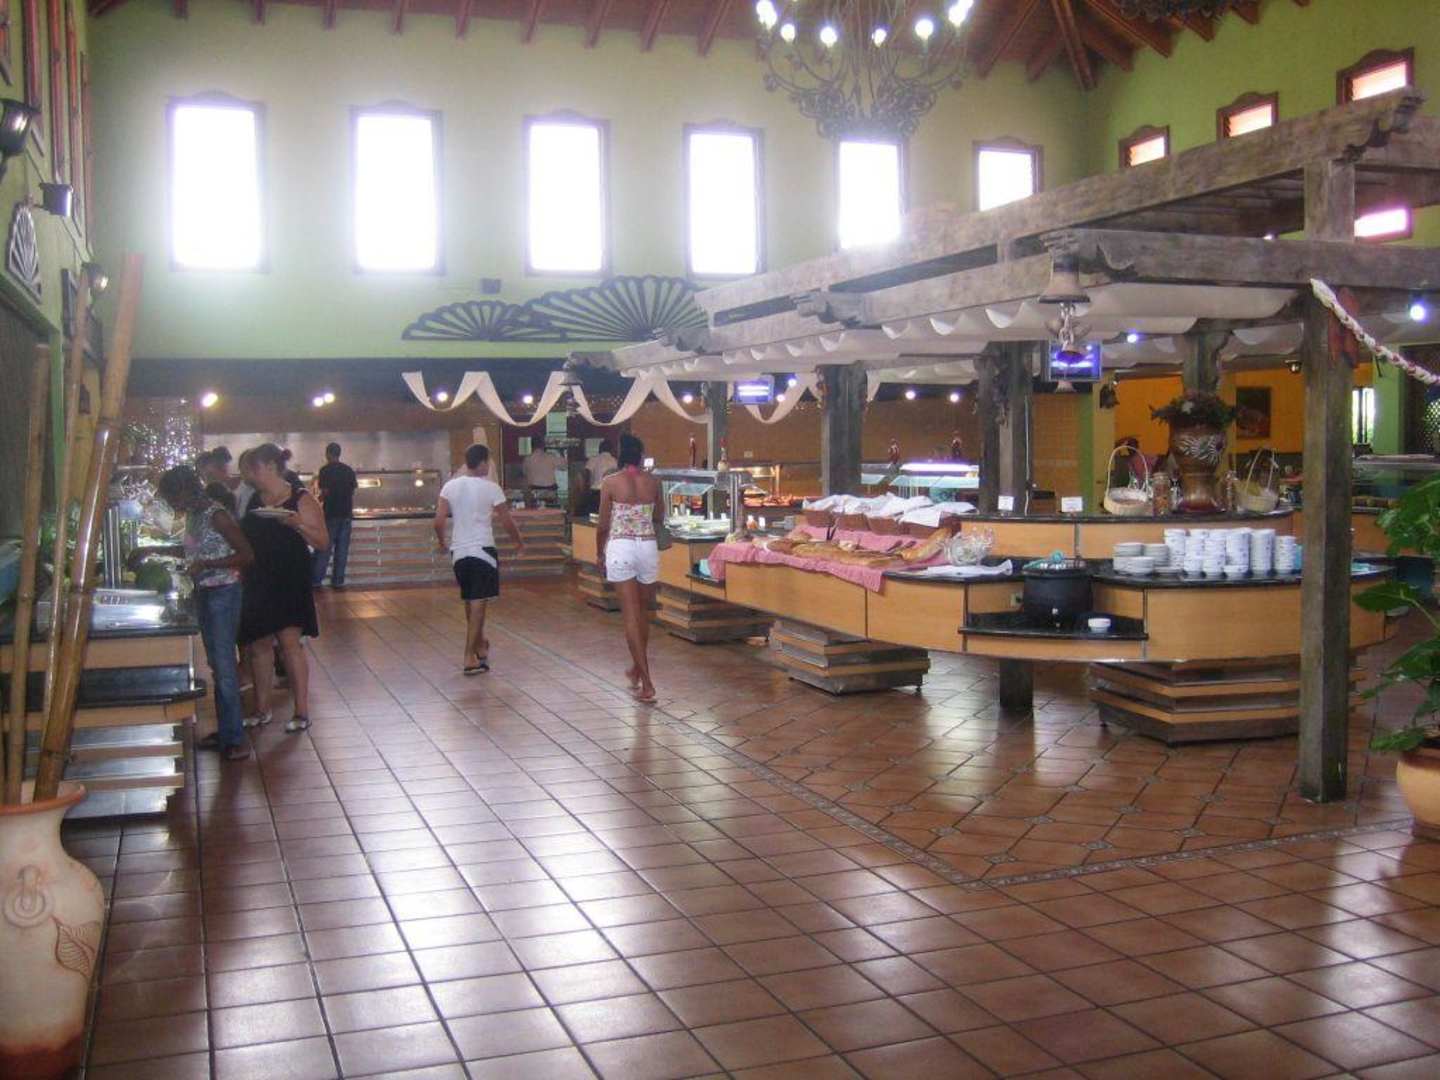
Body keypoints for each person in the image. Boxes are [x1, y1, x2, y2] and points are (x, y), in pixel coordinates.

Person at [151, 465, 255, 761]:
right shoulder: (194, 515)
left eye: (173, 497)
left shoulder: (216, 515)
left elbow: (247, 555)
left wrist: (208, 566)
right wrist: (153, 553)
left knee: (224, 668)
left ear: (185, 491)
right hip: (206, 593)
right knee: (217, 665)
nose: (173, 504)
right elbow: (193, 551)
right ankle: (227, 731)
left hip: (224, 593)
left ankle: (236, 739)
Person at [238, 444, 328, 733]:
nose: (250, 475)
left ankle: (301, 711)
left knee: (290, 644)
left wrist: (297, 524)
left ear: (271, 467)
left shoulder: (301, 498)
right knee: (258, 645)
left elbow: (322, 542)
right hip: (258, 576)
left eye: (254, 469)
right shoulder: (252, 498)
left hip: (290, 576)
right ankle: (261, 708)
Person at [434, 444, 525, 675]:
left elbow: (438, 520)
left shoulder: (450, 486)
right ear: (483, 462)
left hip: (458, 552)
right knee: (479, 604)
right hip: (482, 550)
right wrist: (518, 542)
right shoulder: (491, 488)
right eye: (488, 462)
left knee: (470, 598)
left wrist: (442, 542)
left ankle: (480, 644)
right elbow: (506, 520)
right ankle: (468, 656)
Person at [597, 433, 663, 704]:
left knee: (630, 616)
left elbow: (603, 524)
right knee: (643, 613)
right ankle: (637, 668)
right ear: (641, 454)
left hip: (621, 546)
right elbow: (659, 516)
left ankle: (647, 681)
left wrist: (599, 552)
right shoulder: (654, 482)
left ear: (621, 454)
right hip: (647, 546)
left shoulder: (610, 482)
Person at [312, 442, 358, 588]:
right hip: (346, 514)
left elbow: (325, 492)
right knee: (342, 549)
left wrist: (315, 501)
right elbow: (352, 491)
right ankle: (338, 581)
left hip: (331, 513)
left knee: (325, 548)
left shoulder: (325, 470)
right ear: (339, 453)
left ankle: (316, 580)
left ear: (328, 454)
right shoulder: (348, 470)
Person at [581, 439, 618, 514]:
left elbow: (586, 475)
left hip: (595, 492)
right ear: (611, 449)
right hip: (609, 493)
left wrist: (585, 491)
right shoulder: (614, 461)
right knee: (607, 514)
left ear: (600, 449)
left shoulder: (593, 459)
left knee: (593, 515)